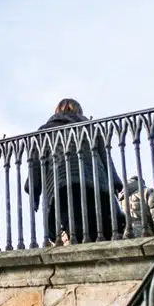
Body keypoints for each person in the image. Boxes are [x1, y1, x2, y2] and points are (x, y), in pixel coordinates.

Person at [25, 99, 124, 245]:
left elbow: (36, 164)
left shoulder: (45, 131)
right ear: (79, 111)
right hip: (95, 184)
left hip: (61, 187)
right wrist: (115, 184)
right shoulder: (90, 128)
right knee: (103, 229)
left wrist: (34, 192)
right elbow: (105, 158)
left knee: (74, 229)